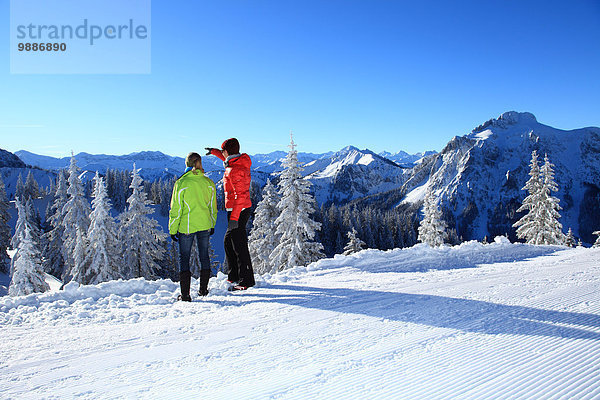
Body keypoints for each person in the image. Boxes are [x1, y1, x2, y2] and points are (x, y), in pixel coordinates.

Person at [205, 138, 256, 290]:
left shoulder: (235, 170)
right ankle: (234, 275)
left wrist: (234, 218)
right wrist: (215, 152)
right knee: (229, 241)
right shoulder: (237, 162)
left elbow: (240, 196)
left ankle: (246, 280)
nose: (222, 154)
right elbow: (226, 159)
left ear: (227, 151)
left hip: (238, 210)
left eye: (223, 151)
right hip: (237, 209)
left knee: (239, 245)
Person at [169, 152, 217, 301]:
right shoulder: (208, 183)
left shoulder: (181, 183)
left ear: (187, 164)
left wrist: (172, 229)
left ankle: (185, 295)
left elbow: (176, 209)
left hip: (186, 227)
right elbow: (212, 207)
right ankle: (203, 290)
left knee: (184, 258)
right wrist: (212, 223)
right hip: (204, 224)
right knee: (204, 255)